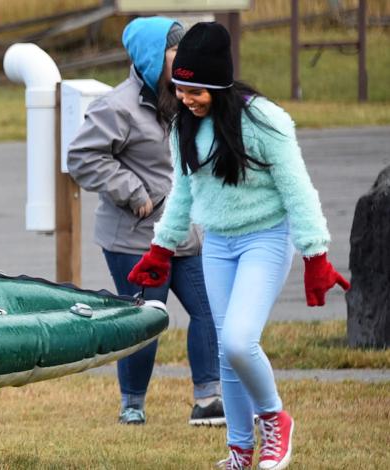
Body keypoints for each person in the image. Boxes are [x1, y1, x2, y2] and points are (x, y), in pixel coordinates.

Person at [128, 22, 349, 470]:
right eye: (180, 88)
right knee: (226, 355)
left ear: (219, 83)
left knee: (238, 340)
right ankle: (239, 452)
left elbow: (298, 190)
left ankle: (275, 419)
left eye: (196, 90)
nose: (186, 99)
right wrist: (161, 249)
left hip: (265, 239)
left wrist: (315, 255)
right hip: (218, 245)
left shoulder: (264, 121)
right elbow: (184, 194)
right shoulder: (183, 128)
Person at [67, 17, 225, 427]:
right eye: (177, 51)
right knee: (147, 319)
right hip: (134, 240)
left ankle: (208, 400)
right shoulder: (115, 107)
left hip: (185, 235)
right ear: (155, 57)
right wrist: (134, 192)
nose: (185, 59)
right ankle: (132, 405)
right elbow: (82, 159)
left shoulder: (187, 98)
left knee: (209, 310)